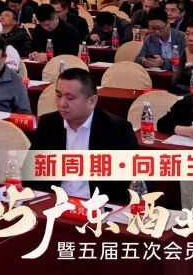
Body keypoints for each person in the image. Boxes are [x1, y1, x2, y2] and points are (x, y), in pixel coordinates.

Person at [31, 69, 138, 203]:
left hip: (98, 207)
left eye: (70, 98)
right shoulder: (48, 124)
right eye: (58, 95)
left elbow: (137, 182)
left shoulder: (117, 130)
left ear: (92, 101)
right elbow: (30, 176)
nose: (62, 103)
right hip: (55, 203)